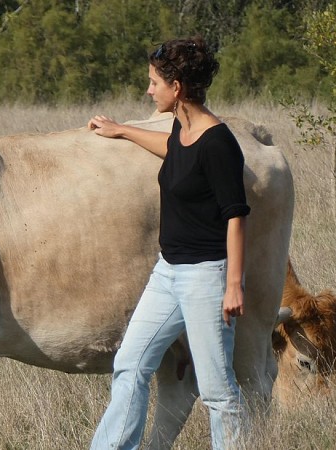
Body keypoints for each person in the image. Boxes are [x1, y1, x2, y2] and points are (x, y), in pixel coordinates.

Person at [87, 36, 249, 450]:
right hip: (168, 273)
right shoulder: (183, 126)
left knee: (217, 391)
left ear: (177, 88)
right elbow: (175, 150)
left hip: (207, 278)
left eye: (154, 82)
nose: (148, 89)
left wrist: (233, 284)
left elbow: (235, 215)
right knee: (130, 363)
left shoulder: (219, 143)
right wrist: (123, 130)